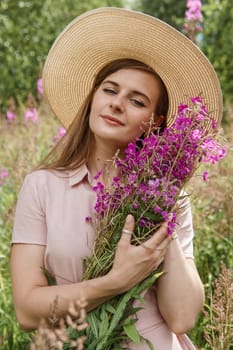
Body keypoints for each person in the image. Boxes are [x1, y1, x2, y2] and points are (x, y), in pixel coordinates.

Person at [10, 7, 222, 350]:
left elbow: (182, 318)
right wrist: (115, 282)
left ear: (155, 122)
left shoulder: (168, 198)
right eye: (110, 90)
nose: (117, 104)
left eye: (137, 100)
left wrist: (159, 206)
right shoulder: (42, 187)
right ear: (93, 96)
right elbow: (26, 311)